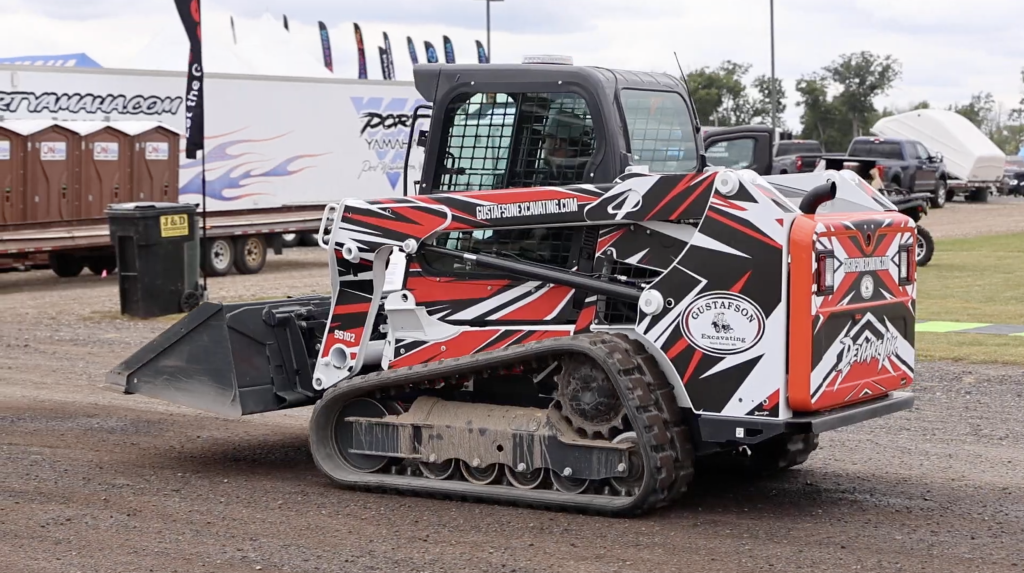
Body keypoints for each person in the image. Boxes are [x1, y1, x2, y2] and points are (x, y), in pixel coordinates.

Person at [537, 109, 593, 186]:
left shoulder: (553, 179)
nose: (542, 145)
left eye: (544, 139)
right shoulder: (592, 169)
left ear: (557, 143)